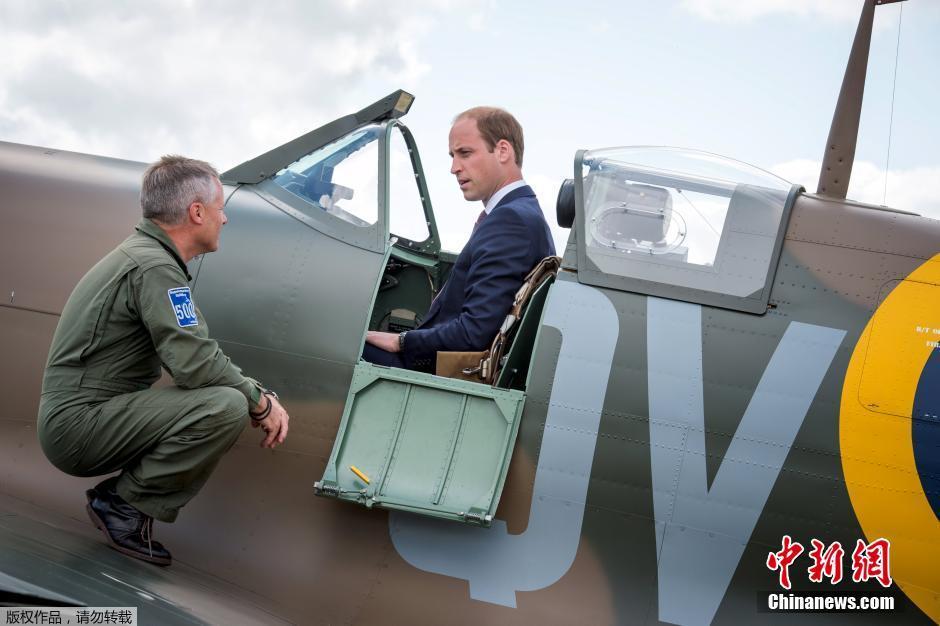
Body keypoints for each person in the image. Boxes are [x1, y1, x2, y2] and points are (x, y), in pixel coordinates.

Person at [37, 155, 289, 566]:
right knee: (226, 406)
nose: (224, 220)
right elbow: (196, 364)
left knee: (225, 398)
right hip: (78, 427)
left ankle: (121, 502)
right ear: (196, 212)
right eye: (220, 209)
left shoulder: (147, 258)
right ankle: (121, 506)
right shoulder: (154, 266)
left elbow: (194, 353)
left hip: (84, 417)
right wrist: (259, 401)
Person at [363, 106, 555, 371]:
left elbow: (474, 332)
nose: (454, 167)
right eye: (453, 156)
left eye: (465, 153)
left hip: (440, 368)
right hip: (446, 361)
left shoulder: (512, 220)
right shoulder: (517, 214)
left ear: (502, 151)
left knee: (340, 348)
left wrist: (403, 341)